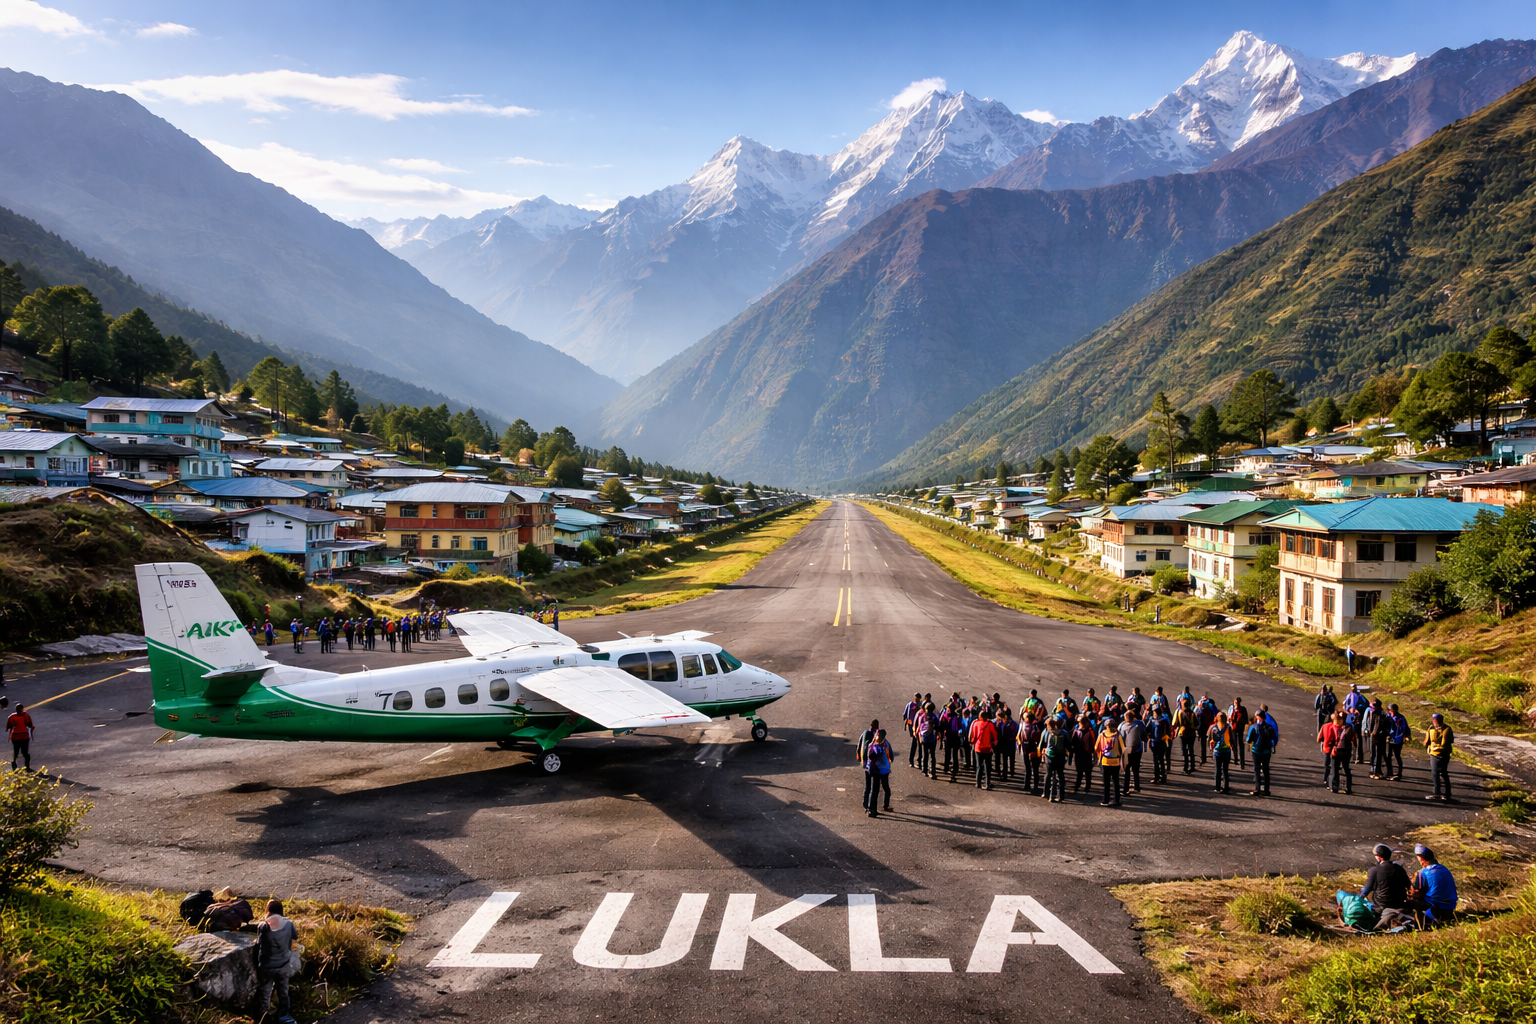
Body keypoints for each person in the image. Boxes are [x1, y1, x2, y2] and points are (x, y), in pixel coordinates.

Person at [253, 899, 298, 1024]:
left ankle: (264, 1016)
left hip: (267, 965)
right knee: (283, 991)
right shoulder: (288, 924)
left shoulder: (263, 926)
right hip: (283, 964)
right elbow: (295, 936)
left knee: (266, 991)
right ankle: (284, 1015)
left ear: (268, 911)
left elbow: (259, 943)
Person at [1407, 844, 1458, 921]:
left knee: (1407, 902)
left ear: (1421, 859)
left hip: (1435, 907)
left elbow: (1418, 893)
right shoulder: (1444, 869)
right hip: (1450, 906)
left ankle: (1418, 923)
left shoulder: (1423, 873)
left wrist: (1409, 891)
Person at [1318, 710, 1353, 794]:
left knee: (1334, 769)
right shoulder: (1349, 727)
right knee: (1346, 769)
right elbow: (1354, 740)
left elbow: (1329, 739)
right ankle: (1348, 788)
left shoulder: (1333, 727)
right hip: (1346, 751)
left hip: (1336, 751)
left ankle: (1334, 786)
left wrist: (1331, 745)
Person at [1424, 713, 1455, 802]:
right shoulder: (1437, 728)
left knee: (1436, 773)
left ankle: (1437, 793)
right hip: (1440, 753)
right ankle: (1447, 793)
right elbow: (1427, 740)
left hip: (1438, 754)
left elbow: (1445, 743)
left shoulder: (1444, 729)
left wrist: (1433, 747)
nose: (1433, 722)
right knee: (1443, 773)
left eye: (1434, 720)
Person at [1246, 706, 1276, 796]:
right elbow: (1273, 737)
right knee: (1266, 770)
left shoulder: (1253, 727)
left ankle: (1257, 788)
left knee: (1257, 769)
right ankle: (1266, 790)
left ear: (1258, 717)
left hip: (1256, 750)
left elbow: (1248, 740)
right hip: (1266, 751)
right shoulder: (1269, 727)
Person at [864, 728, 893, 817]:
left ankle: (871, 809)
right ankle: (877, 808)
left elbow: (867, 755)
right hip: (882, 770)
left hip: (871, 769)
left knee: (873, 790)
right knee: (882, 788)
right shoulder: (885, 745)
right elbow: (891, 757)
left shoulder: (871, 744)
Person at [1042, 715, 1069, 802]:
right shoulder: (1064, 733)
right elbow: (1067, 744)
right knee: (1060, 776)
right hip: (1060, 757)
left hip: (1050, 756)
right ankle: (1061, 795)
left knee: (1048, 774)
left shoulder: (1047, 732)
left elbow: (1043, 743)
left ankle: (1046, 793)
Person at [1118, 707, 1146, 793]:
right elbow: (1144, 735)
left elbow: (1121, 739)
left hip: (1127, 750)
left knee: (1127, 770)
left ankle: (1126, 788)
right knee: (1136, 769)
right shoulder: (1139, 724)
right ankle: (1137, 786)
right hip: (1137, 749)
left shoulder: (1122, 727)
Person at [1096, 721, 1124, 807]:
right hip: (1115, 761)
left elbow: (1096, 747)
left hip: (1105, 761)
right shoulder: (1118, 735)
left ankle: (1106, 800)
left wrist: (1099, 755)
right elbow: (1123, 748)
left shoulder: (1102, 735)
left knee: (1106, 782)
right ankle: (1117, 800)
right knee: (1116, 782)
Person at [970, 710, 998, 790]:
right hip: (987, 748)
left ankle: (978, 783)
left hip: (978, 748)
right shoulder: (990, 724)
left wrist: (973, 743)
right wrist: (995, 742)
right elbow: (994, 734)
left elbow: (973, 735)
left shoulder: (976, 724)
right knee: (987, 766)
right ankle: (987, 783)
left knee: (979, 766)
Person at [1173, 697, 1199, 775]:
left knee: (1184, 751)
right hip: (1191, 733)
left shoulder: (1179, 712)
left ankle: (1186, 766)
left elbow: (1174, 723)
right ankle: (1192, 766)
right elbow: (1196, 723)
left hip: (1182, 733)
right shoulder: (1192, 713)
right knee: (1191, 750)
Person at [1208, 711, 1233, 794]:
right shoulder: (1228, 727)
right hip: (1226, 751)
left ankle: (1217, 787)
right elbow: (1232, 739)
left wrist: (1211, 749)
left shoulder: (1214, 728)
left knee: (1217, 770)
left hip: (1217, 751)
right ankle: (1226, 787)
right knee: (1225, 770)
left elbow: (1210, 740)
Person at [1019, 711, 1043, 793]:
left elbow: (1038, 739)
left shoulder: (1036, 727)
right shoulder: (1022, 724)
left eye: (1025, 717)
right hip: (1025, 747)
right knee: (1027, 768)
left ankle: (1035, 786)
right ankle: (1027, 785)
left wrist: (1037, 750)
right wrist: (1020, 742)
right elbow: (1019, 735)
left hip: (1034, 748)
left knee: (1035, 768)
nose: (1023, 718)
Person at [1072, 715, 1097, 794]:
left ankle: (1087, 786)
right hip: (1079, 753)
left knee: (1087, 771)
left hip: (1087, 753)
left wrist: (1093, 752)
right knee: (1079, 771)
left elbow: (1093, 742)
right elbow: (1073, 742)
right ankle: (1077, 785)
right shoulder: (1076, 731)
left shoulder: (1090, 731)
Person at [1148, 703, 1172, 784]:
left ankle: (1156, 776)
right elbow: (1168, 732)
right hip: (1163, 742)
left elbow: (1147, 729)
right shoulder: (1165, 720)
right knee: (1161, 760)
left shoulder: (1152, 721)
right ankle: (1163, 776)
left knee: (1156, 760)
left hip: (1154, 743)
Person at [1385, 703, 1409, 781]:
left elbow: (1405, 728)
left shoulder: (1400, 718)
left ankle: (1399, 773)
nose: (1390, 712)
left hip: (1398, 739)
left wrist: (1405, 736)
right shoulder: (1388, 717)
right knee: (1389, 756)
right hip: (1391, 738)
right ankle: (1389, 772)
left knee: (1397, 756)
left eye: (1391, 711)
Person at [1365, 699, 1388, 779]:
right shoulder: (1373, 713)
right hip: (1373, 735)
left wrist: (1376, 732)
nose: (1374, 707)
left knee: (1378, 754)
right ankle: (1373, 769)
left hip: (1380, 736)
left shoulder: (1383, 714)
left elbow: (1382, 725)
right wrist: (1371, 732)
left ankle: (1377, 770)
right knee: (1373, 753)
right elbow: (1370, 723)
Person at [7, 702, 34, 770]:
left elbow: (8, 727)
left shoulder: (12, 716)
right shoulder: (26, 716)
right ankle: (27, 767)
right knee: (25, 753)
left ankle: (14, 765)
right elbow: (30, 724)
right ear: (22, 709)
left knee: (15, 751)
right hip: (24, 736)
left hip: (15, 737)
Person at [916, 702, 939, 779]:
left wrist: (920, 736)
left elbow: (919, 727)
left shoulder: (922, 717)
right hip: (932, 738)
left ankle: (924, 770)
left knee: (925, 754)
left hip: (924, 738)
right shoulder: (934, 717)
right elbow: (937, 727)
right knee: (932, 755)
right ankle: (932, 772)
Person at [995, 708, 1019, 784]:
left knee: (1005, 760)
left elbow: (1001, 733)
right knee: (1012, 758)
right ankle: (1012, 771)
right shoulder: (1015, 723)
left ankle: (1004, 775)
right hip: (1012, 742)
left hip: (1005, 742)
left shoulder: (1003, 724)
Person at [1227, 698, 1249, 770]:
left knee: (1238, 743)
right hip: (1236, 728)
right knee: (1235, 743)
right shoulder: (1235, 709)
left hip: (1237, 728)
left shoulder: (1240, 710)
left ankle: (1240, 760)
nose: (1236, 703)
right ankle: (1237, 759)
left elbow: (1245, 719)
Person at [903, 693, 922, 767]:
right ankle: (916, 761)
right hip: (916, 728)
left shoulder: (911, 705)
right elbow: (905, 715)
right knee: (917, 744)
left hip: (916, 728)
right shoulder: (917, 705)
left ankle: (914, 760)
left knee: (916, 744)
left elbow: (904, 715)